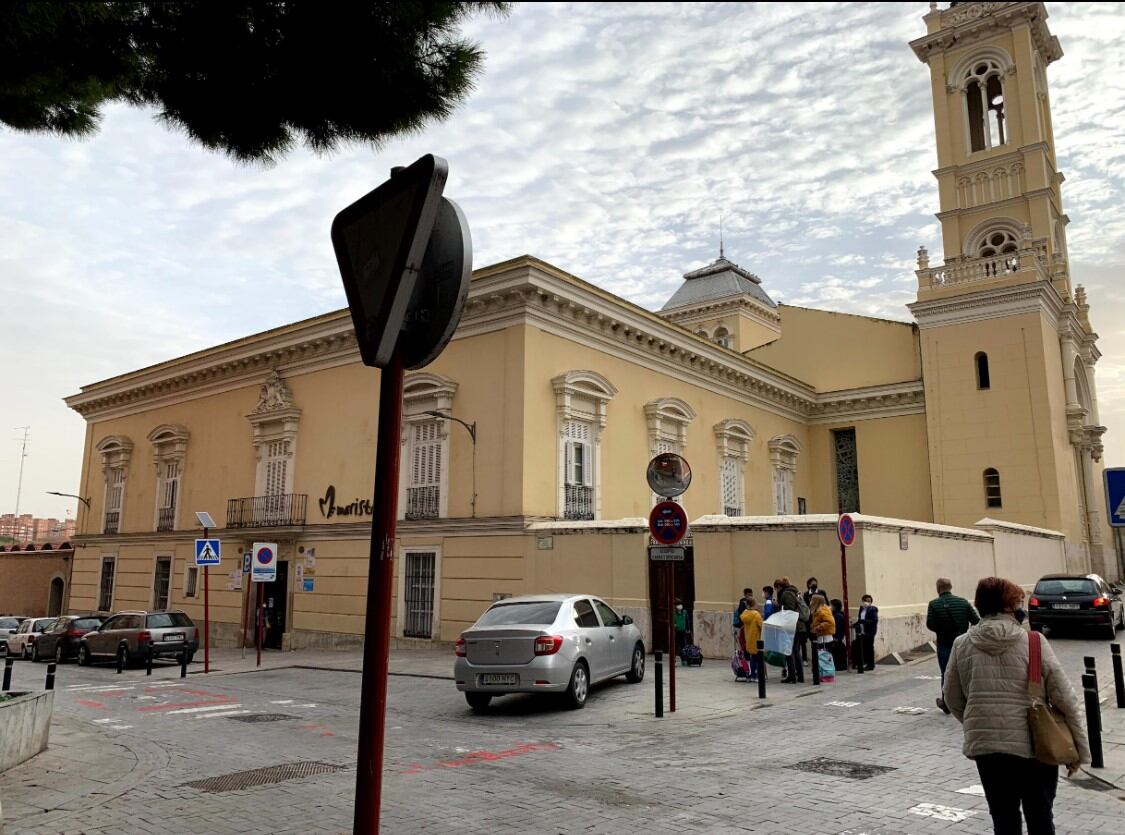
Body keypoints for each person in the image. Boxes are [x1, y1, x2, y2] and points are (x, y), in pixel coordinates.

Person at [944, 577, 1090, 834]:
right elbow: (1065, 698)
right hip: (1035, 744)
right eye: (1019, 602)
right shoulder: (1034, 642)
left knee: (1004, 819)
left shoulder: (961, 644)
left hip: (988, 748)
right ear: (1010, 606)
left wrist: (979, 721)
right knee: (1040, 816)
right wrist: (1080, 748)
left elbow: (951, 698)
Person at [927, 578, 979, 714]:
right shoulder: (963, 602)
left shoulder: (934, 604)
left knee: (946, 673)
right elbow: (976, 620)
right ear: (950, 587)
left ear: (938, 588)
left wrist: (942, 629)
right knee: (964, 671)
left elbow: (930, 624)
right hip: (962, 642)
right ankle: (967, 700)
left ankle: (946, 703)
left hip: (944, 643)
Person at [776, 577, 805, 683]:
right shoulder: (794, 591)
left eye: (776, 588)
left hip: (791, 625)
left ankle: (792, 676)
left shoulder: (786, 594)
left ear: (780, 587)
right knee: (796, 651)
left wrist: (779, 606)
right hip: (796, 624)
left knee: (789, 651)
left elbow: (789, 610)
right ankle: (800, 676)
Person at [800, 578, 830, 664]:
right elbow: (805, 607)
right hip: (810, 620)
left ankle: (821, 657)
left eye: (815, 584)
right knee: (810, 639)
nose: (814, 585)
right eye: (812, 584)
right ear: (808, 585)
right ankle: (807, 658)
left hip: (820, 618)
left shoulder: (821, 592)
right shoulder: (806, 594)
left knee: (820, 640)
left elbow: (827, 604)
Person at [809, 596, 835, 678]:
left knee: (825, 656)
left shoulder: (822, 610)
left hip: (824, 637)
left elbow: (830, 622)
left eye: (812, 600)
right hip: (821, 636)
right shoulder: (818, 610)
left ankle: (826, 673)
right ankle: (823, 672)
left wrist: (818, 627)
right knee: (823, 656)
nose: (810, 602)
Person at [739, 596, 763, 682]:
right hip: (757, 639)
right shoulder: (756, 615)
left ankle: (753, 675)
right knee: (758, 658)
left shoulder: (745, 614)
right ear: (754, 604)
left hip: (748, 639)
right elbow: (762, 626)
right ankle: (757, 675)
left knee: (753, 658)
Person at [853, 594, 878, 671]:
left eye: (869, 601)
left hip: (870, 632)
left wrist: (862, 622)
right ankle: (864, 662)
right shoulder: (861, 609)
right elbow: (860, 619)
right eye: (865, 601)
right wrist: (856, 624)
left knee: (869, 648)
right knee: (863, 647)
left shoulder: (872, 610)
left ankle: (871, 665)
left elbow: (874, 621)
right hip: (862, 632)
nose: (867, 602)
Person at [830, 598, 848, 672]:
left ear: (835, 606)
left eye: (831, 605)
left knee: (838, 651)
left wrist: (835, 636)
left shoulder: (838, 615)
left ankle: (840, 666)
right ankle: (840, 665)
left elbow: (837, 627)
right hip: (838, 637)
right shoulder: (837, 614)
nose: (829, 606)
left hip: (837, 637)